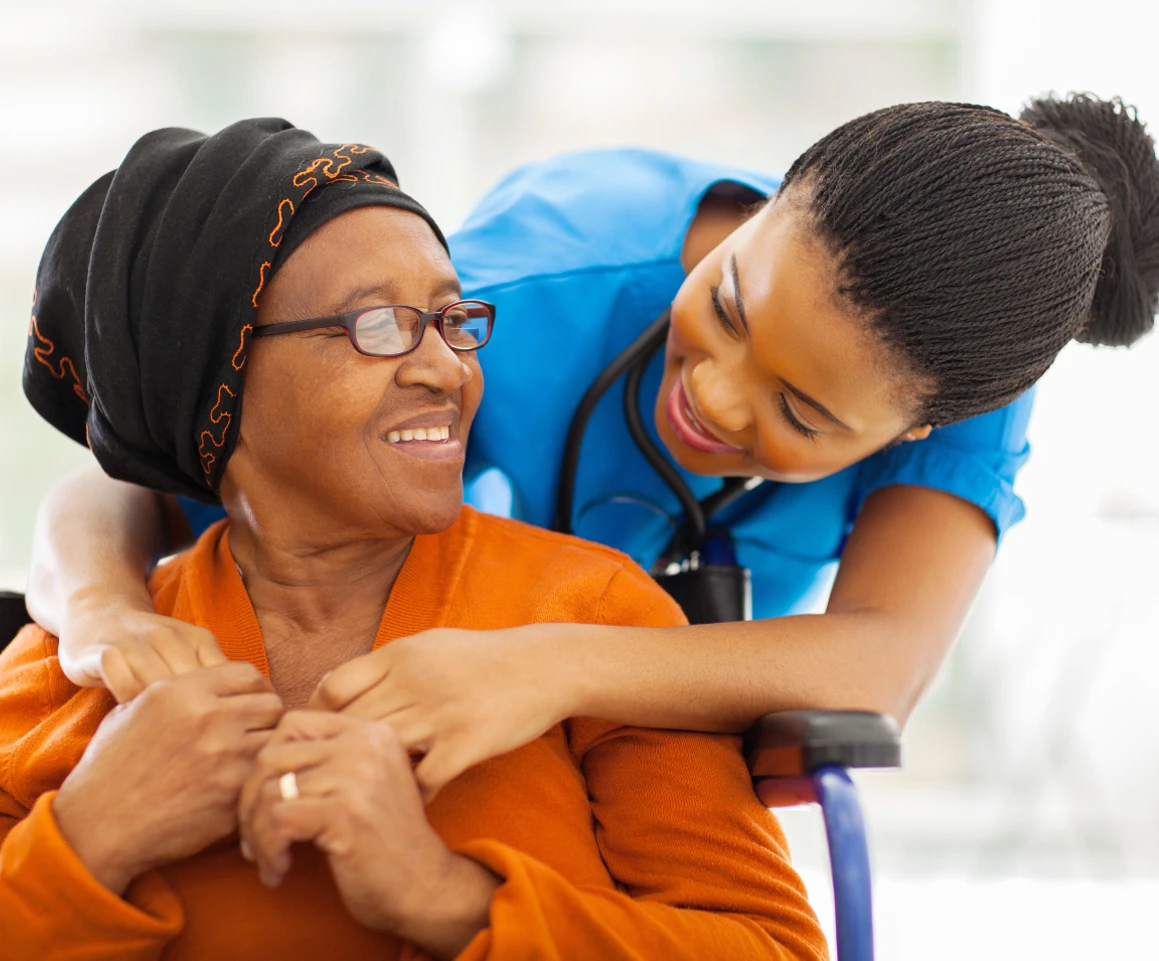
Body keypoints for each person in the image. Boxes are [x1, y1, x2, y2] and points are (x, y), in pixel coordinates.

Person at [25, 95, 1159, 799]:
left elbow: (880, 663)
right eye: (726, 305)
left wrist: (547, 662)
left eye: (803, 416)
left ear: (915, 427)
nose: (710, 395)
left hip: (614, 765)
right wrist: (102, 613)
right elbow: (125, 490)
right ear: (767, 207)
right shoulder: (527, 294)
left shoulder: (957, 380)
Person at [3, 120, 825, 960]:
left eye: (451, 318)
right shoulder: (71, 667)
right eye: (377, 325)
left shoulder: (596, 613)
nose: (447, 368)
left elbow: (770, 947)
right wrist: (90, 837)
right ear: (216, 378)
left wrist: (440, 896)